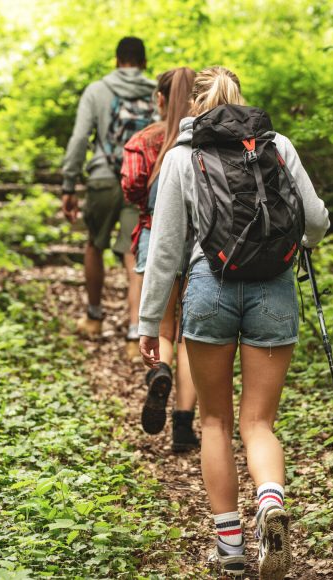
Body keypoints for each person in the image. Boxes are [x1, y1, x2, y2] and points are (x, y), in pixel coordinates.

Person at [137, 67, 329, 579]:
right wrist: (298, 247)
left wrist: (149, 321)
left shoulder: (181, 156)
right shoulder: (277, 145)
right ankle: (270, 502)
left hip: (209, 291)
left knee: (216, 422)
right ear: (240, 98)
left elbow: (165, 252)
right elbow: (315, 221)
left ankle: (230, 547)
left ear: (193, 104)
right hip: (273, 290)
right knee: (259, 422)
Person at [121, 67, 200, 451]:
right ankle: (183, 427)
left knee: (163, 329)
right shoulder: (208, 142)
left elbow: (131, 186)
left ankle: (159, 373)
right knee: (191, 336)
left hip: (157, 238)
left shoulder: (145, 140)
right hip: (202, 245)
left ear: (160, 99)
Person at [60, 37, 155, 353]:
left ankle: (94, 317)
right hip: (139, 180)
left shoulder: (97, 90)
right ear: (143, 62)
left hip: (102, 177)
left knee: (94, 244)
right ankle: (134, 334)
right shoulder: (157, 92)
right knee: (133, 252)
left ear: (117, 60)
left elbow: (78, 139)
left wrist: (69, 185)